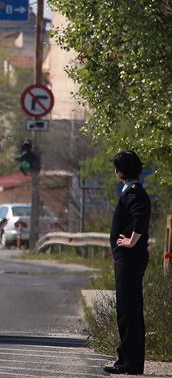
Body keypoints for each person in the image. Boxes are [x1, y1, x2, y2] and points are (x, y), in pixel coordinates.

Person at [105, 150, 151, 375]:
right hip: (130, 258)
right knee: (130, 309)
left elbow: (140, 216)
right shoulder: (134, 190)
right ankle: (130, 360)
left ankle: (128, 362)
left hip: (129, 259)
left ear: (120, 171)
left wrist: (132, 241)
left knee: (127, 310)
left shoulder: (132, 192)